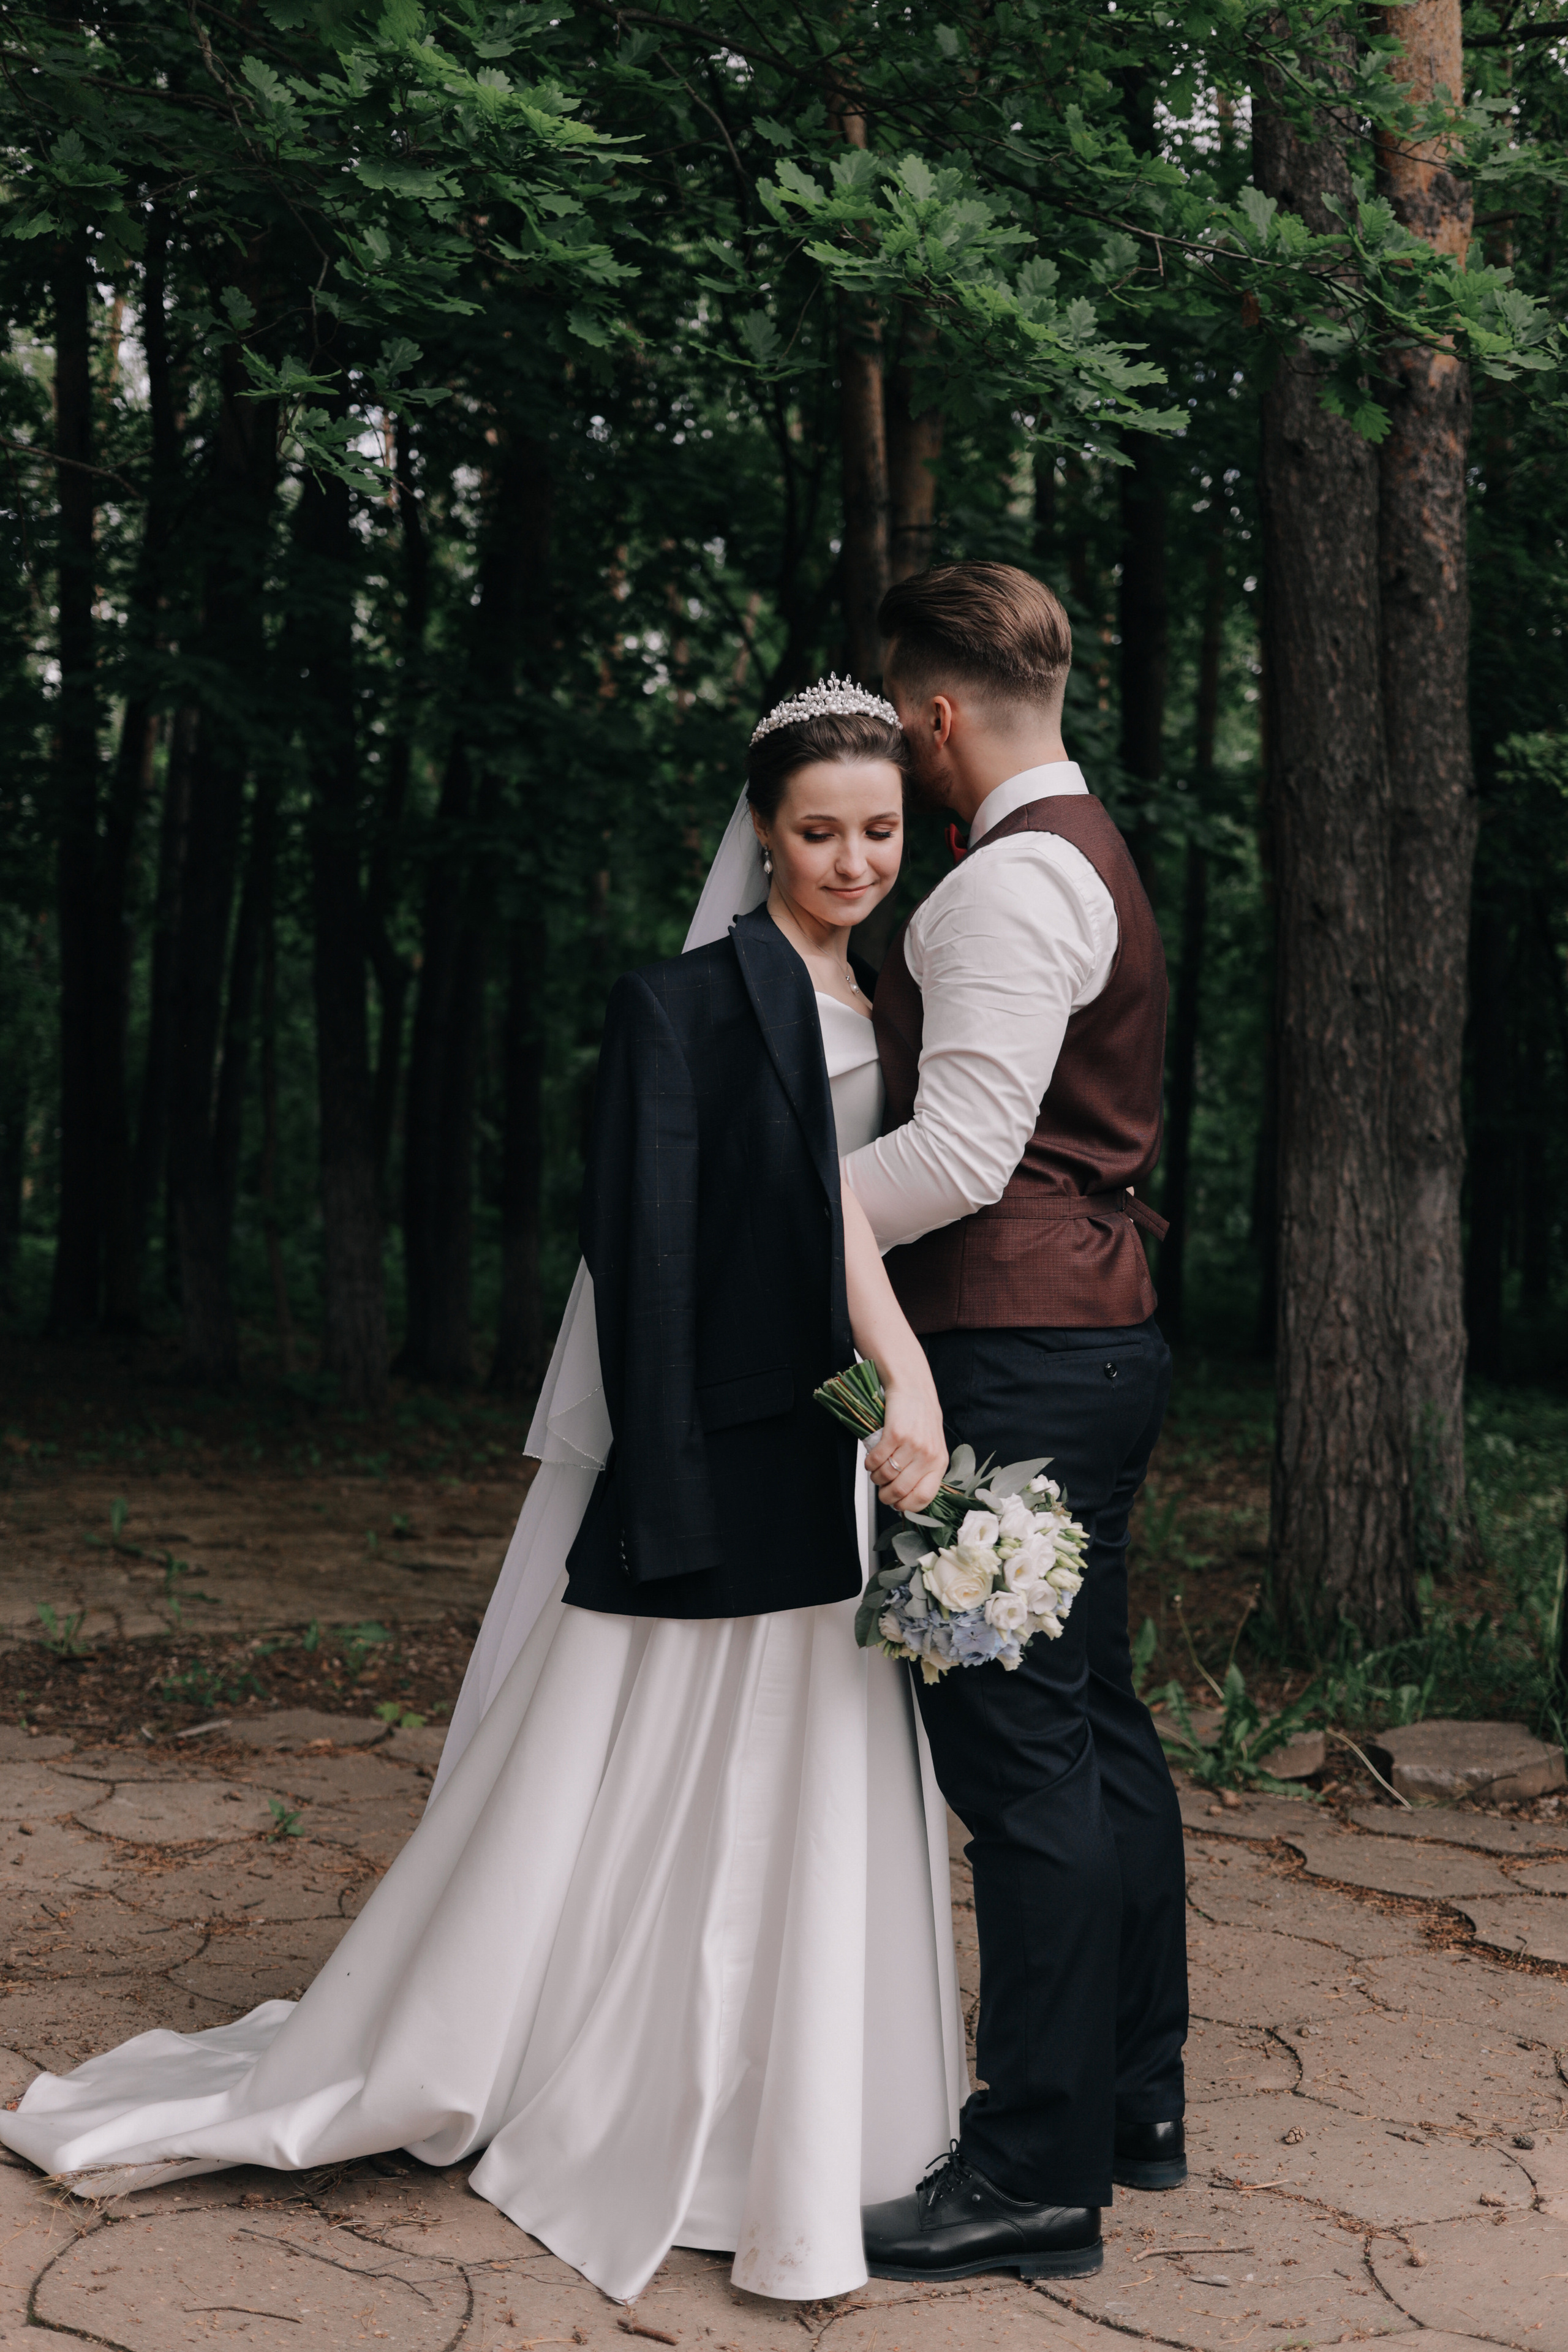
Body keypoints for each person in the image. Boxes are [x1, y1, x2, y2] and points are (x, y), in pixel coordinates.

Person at [0, 683, 968, 2305]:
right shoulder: (680, 1007)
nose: (854, 858)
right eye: (820, 830)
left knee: (815, 1787)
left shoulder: (885, 998)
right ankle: (571, 2064)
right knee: (615, 1786)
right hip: (715, 1460)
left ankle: (803, 2126)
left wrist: (902, 1401)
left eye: (879, 830)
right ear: (760, 831)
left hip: (840, 1458)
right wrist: (662, 1489)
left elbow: (853, 1228)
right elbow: (648, 1267)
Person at [847, 563, 1188, 2285]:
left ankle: (1035, 2175)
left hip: (1018, 1359)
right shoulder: (1095, 854)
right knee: (1100, 1731)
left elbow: (960, 1157)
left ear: (934, 714)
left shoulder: (997, 895)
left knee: (1023, 1760)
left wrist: (794, 1209)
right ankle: (1134, 2095)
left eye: (901, 734)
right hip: (1098, 1337)